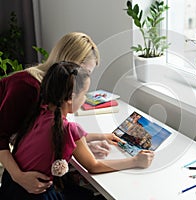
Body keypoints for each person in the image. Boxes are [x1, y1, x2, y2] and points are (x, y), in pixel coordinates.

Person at [0, 62, 154, 199]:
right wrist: (135, 161)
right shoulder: (68, 128)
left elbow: (57, 138)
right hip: (35, 193)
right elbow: (93, 166)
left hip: (11, 187)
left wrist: (101, 136)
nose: (85, 99)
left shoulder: (42, 111)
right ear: (70, 98)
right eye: (84, 94)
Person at [0, 32, 120, 194]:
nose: (84, 79)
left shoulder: (55, 92)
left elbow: (48, 131)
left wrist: (82, 144)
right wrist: (19, 176)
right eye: (82, 72)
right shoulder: (27, 87)